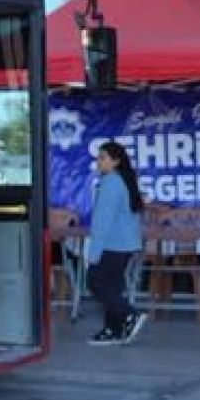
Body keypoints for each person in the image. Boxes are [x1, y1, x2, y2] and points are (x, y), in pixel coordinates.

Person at [85, 141, 149, 346]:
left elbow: (102, 221)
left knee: (95, 282)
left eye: (103, 158)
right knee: (112, 287)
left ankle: (129, 314)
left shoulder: (111, 182)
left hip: (113, 245)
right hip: (125, 245)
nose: (98, 162)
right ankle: (113, 330)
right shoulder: (122, 180)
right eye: (98, 157)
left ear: (116, 161)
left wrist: (94, 253)